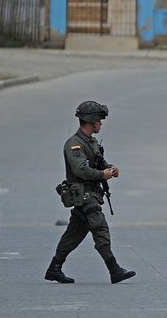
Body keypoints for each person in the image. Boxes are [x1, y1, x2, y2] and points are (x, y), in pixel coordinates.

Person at [45, 100, 136, 284]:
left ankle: (54, 268)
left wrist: (110, 168)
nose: (101, 124)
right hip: (84, 195)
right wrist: (103, 175)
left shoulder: (91, 142)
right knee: (100, 227)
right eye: (99, 120)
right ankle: (114, 270)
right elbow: (80, 170)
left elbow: (98, 162)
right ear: (92, 120)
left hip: (91, 193)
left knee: (74, 233)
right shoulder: (74, 145)